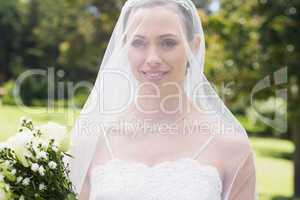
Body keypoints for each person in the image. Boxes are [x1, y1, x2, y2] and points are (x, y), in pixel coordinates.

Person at [68, 0, 258, 199]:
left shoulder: (231, 146)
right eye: (138, 42)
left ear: (193, 47)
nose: (152, 59)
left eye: (168, 43)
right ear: (125, 46)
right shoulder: (92, 141)